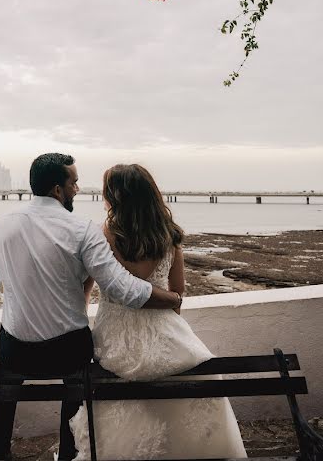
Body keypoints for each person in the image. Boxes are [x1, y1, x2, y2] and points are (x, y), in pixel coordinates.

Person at [0, 153, 183, 461]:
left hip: (16, 350)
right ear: (57, 189)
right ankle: (69, 453)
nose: (78, 189)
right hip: (68, 351)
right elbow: (121, 287)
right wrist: (172, 299)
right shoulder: (82, 230)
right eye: (74, 182)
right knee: (77, 375)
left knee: (6, 382)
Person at [69, 163, 246, 460]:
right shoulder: (170, 235)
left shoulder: (103, 234)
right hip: (165, 334)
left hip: (116, 341)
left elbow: (86, 287)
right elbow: (178, 291)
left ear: (116, 196)